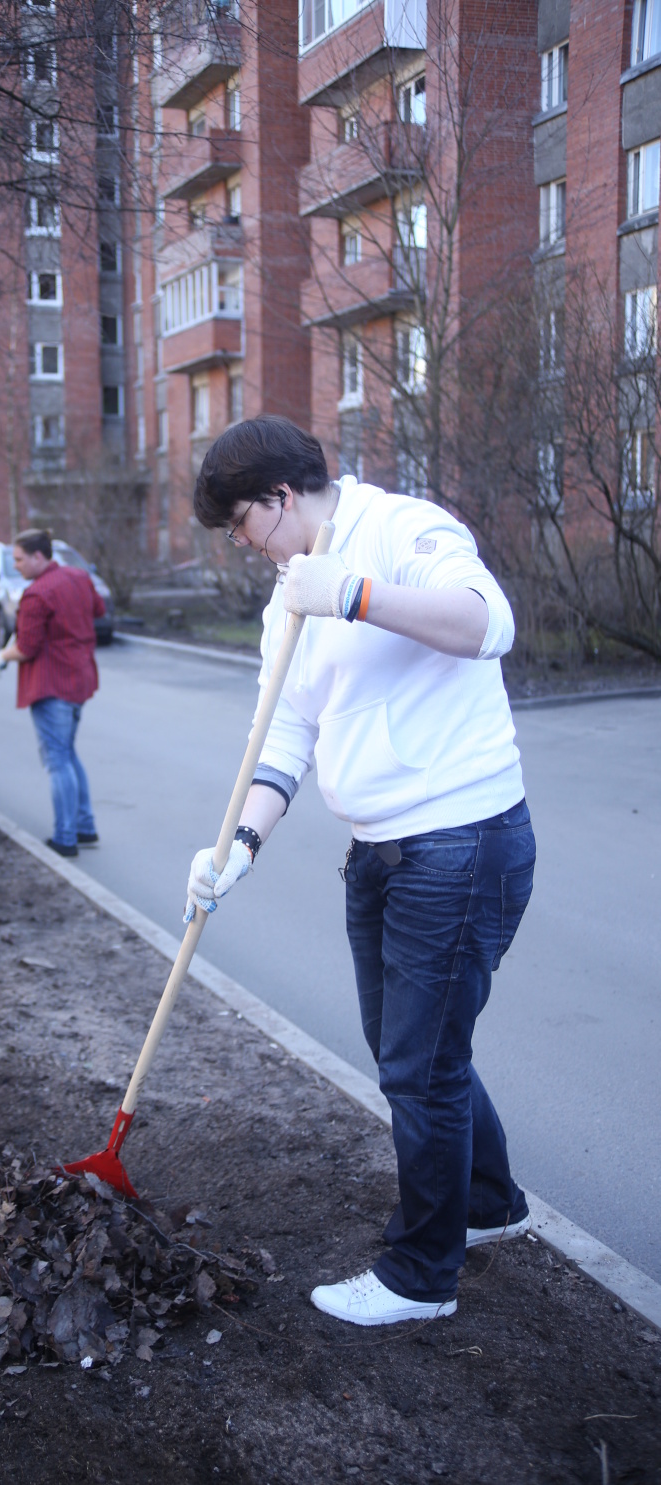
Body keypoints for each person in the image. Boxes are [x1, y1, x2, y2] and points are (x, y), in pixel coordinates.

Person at [184, 416, 535, 1328]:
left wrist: (355, 593)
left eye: (241, 526)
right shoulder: (286, 599)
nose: (242, 545)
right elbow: (285, 733)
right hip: (377, 850)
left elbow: (488, 622)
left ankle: (422, 1275)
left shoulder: (404, 530)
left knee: (420, 1066)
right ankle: (490, 1201)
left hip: (460, 841)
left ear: (280, 498)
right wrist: (238, 846)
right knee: (409, 1053)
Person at [0, 528, 105, 858]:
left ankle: (66, 837)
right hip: (79, 680)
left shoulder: (36, 594)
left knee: (58, 760)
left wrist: (1, 656)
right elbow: (98, 611)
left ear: (38, 557)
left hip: (51, 684)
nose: (15, 566)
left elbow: (26, 648)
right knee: (67, 753)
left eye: (18, 559)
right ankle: (85, 826)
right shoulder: (79, 577)